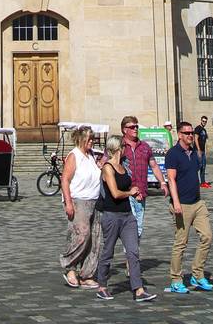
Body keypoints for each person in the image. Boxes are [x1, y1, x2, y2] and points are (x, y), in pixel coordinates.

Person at [93, 133, 157, 302]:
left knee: (133, 251)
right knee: (108, 251)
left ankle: (139, 290)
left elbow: (128, 185)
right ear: (118, 149)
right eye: (123, 147)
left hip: (128, 215)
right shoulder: (107, 167)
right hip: (112, 215)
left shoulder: (124, 166)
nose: (125, 149)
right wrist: (130, 192)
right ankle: (102, 286)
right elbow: (114, 193)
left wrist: (135, 193)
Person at [164, 121, 213, 295]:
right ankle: (176, 280)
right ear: (179, 135)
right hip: (182, 204)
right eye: (186, 133)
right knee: (181, 243)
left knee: (207, 236)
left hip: (198, 203)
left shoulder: (194, 153)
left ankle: (197, 274)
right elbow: (171, 179)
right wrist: (176, 202)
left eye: (191, 133)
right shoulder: (173, 154)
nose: (190, 136)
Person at [60, 125, 103, 289]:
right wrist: (68, 202)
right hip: (79, 201)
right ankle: (69, 266)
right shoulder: (74, 155)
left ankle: (87, 274)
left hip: (95, 200)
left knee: (95, 239)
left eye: (93, 139)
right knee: (81, 235)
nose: (92, 142)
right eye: (89, 139)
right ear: (81, 139)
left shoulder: (92, 156)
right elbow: (65, 180)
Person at [120, 116, 168, 241]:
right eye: (132, 127)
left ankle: (131, 259)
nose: (135, 129)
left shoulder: (145, 147)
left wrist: (162, 182)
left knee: (138, 228)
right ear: (124, 130)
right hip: (125, 194)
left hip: (141, 192)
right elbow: (106, 164)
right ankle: (131, 258)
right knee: (127, 227)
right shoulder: (119, 146)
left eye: (136, 126)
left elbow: (154, 165)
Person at [195, 116, 209, 189]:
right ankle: (193, 180)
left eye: (205, 121)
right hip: (198, 150)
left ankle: (203, 182)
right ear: (201, 121)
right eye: (203, 121)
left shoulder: (204, 130)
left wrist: (205, 150)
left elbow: (205, 141)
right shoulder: (198, 128)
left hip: (203, 150)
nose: (204, 122)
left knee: (203, 166)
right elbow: (196, 139)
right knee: (198, 166)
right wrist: (198, 149)